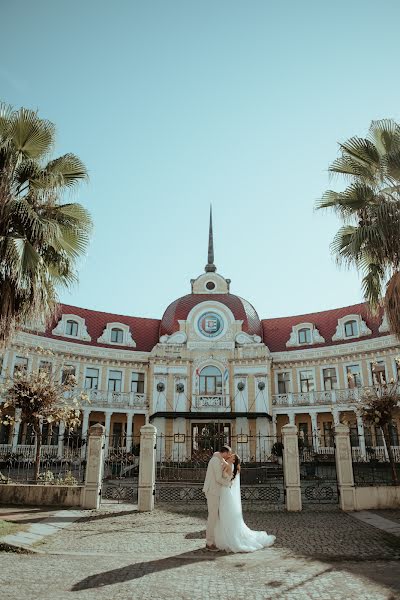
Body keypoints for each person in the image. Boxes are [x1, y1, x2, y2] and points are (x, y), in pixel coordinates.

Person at [215, 453, 276, 552]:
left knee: (224, 514)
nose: (230, 456)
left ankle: (228, 538)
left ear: (233, 460)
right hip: (225, 491)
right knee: (224, 515)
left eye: (232, 457)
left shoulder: (229, 466)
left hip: (225, 491)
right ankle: (225, 537)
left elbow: (223, 477)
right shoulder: (231, 466)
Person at [202, 445, 233, 551]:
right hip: (212, 491)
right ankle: (209, 543)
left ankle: (212, 540)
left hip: (215, 491)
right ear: (224, 452)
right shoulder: (215, 461)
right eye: (228, 454)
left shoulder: (218, 459)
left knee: (215, 517)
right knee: (213, 517)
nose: (229, 456)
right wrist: (228, 483)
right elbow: (218, 478)